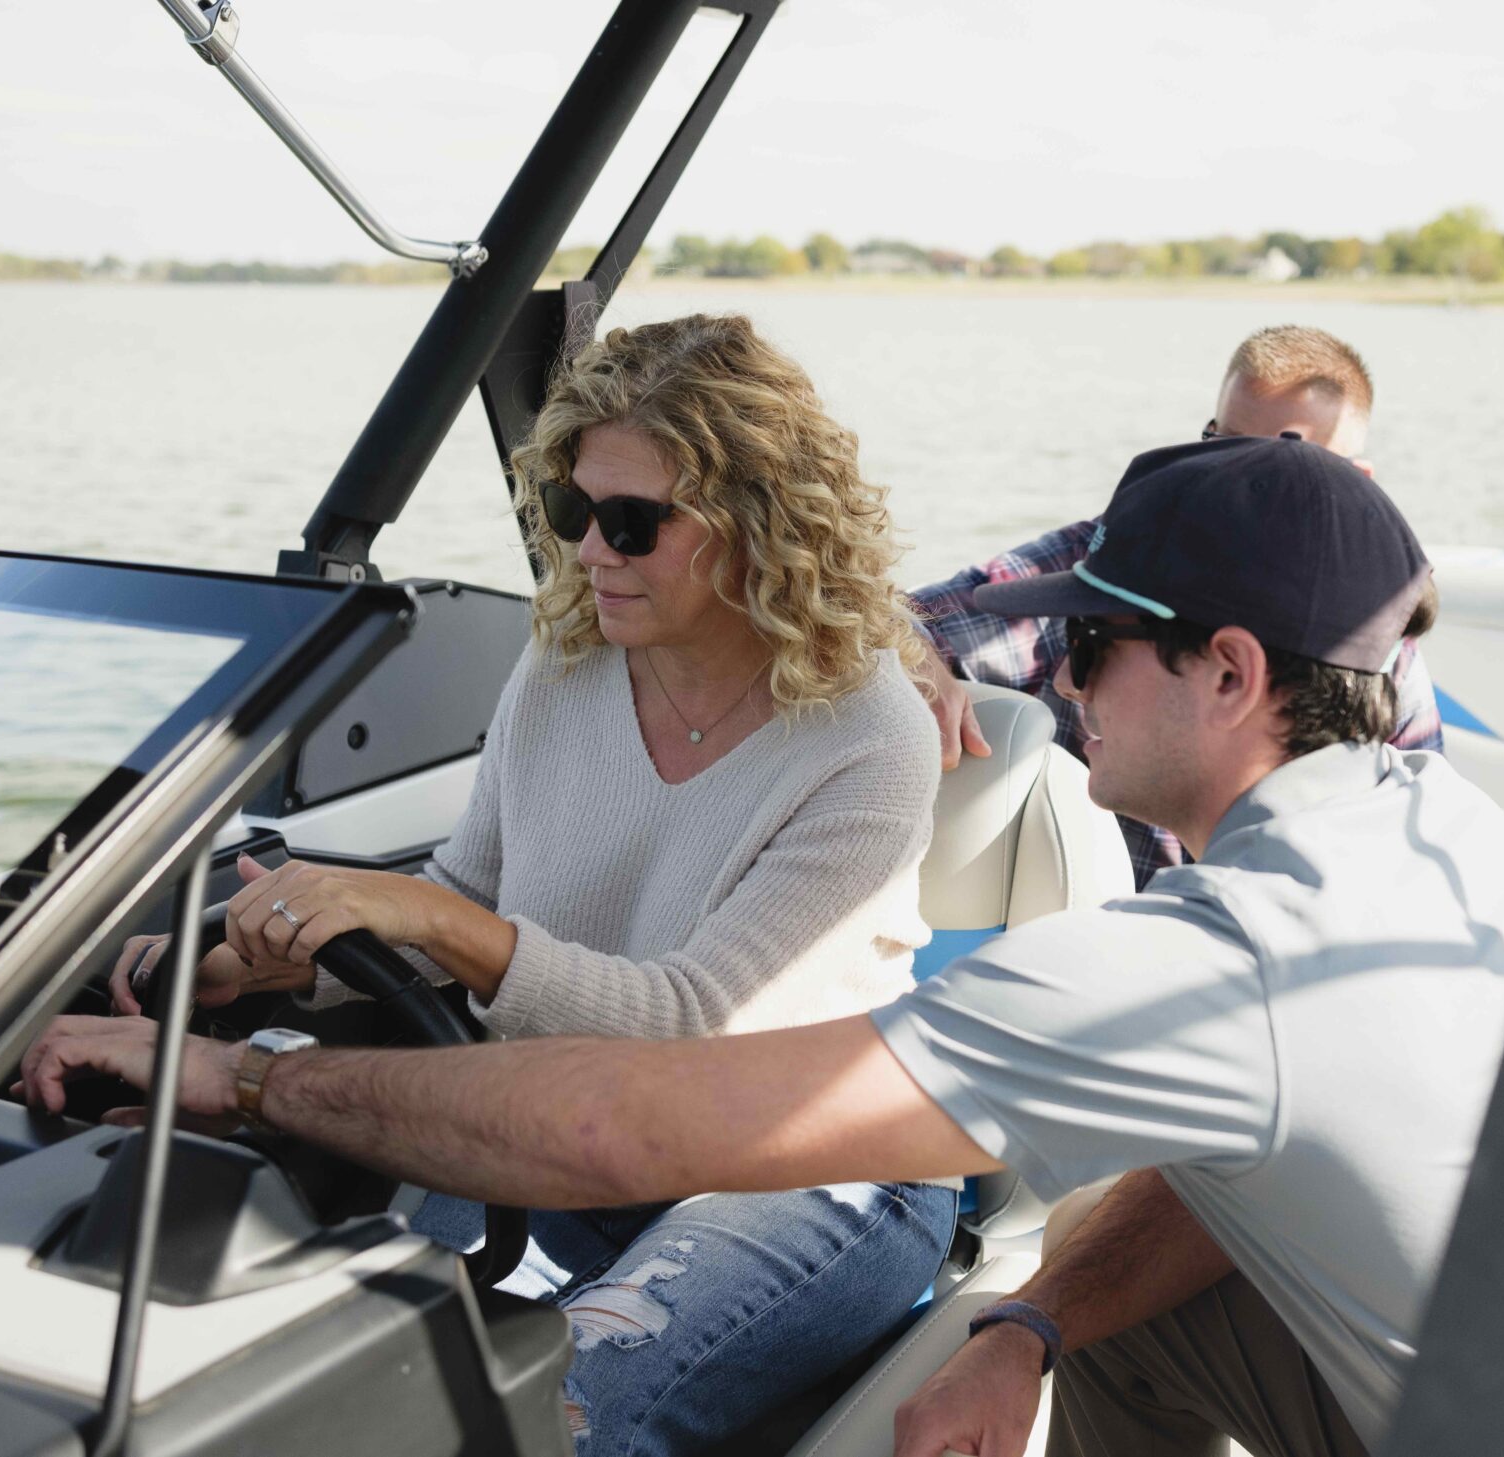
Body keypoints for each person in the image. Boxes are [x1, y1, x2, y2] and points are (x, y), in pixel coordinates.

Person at [28, 436, 1504, 1457]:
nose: (1052, 674)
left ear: (1236, 676)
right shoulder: (1431, 827)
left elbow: (620, 1131)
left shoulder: (1227, 949)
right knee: (1113, 1316)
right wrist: (1022, 1322)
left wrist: (238, 1076)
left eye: (1094, 645)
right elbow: (1241, 1163)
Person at [99, 313, 960, 1456]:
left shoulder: (869, 735)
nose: (589, 550)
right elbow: (458, 900)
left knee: (550, 1420)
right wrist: (244, 968)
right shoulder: (563, 662)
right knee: (338, 1374)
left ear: (761, 522)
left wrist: (435, 916)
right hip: (555, 1115)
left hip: (810, 1157)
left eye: (632, 521)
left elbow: (689, 1025)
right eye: (570, 509)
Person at [908, 323, 1444, 889]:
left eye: (1283, 462)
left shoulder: (1386, 638)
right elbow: (905, 617)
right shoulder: (1119, 556)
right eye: (1226, 446)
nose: (1244, 479)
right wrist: (907, 646)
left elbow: (1413, 842)